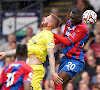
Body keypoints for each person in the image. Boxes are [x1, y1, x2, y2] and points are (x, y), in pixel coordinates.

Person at [0, 14, 63, 90]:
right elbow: (23, 48)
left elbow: (51, 54)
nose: (44, 18)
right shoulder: (37, 36)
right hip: (27, 67)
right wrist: (5, 53)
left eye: (47, 18)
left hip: (36, 69)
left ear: (49, 24)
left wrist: (52, 72)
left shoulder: (49, 35)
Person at [53, 8, 88, 89]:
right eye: (70, 17)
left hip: (75, 59)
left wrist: (53, 34)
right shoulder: (69, 23)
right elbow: (63, 37)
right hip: (65, 58)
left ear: (80, 18)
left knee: (59, 80)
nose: (71, 20)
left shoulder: (83, 28)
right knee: (59, 85)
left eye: (73, 18)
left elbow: (67, 41)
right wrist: (50, 42)